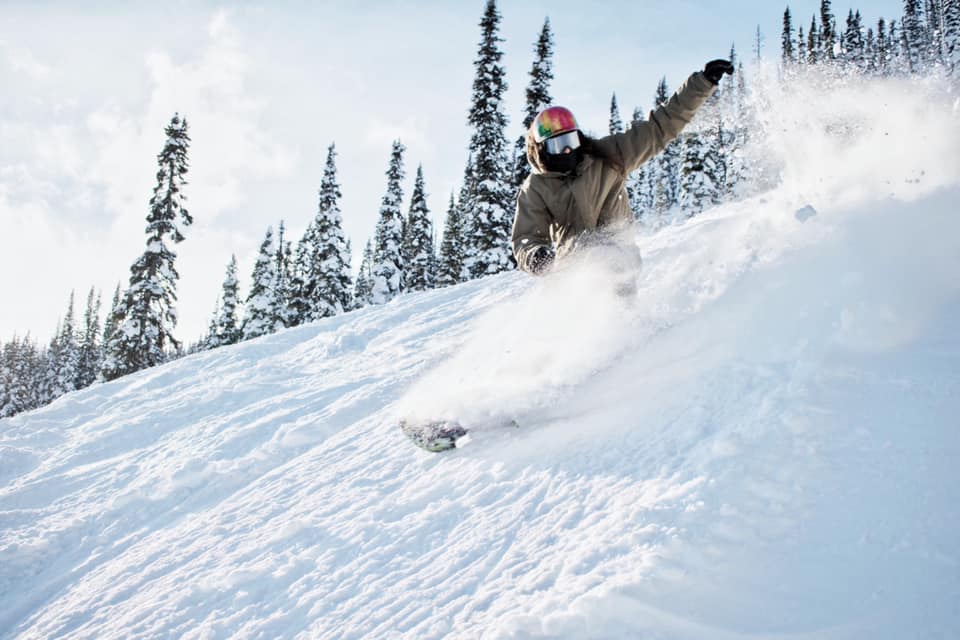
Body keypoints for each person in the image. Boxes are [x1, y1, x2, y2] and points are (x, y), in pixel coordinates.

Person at [512, 59, 735, 275]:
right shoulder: (537, 187)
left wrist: (703, 83)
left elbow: (659, 128)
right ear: (542, 149)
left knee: (604, 260)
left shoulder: (607, 156)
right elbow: (526, 237)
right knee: (583, 280)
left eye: (570, 141)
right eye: (558, 145)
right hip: (573, 269)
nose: (568, 151)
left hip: (618, 257)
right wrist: (534, 255)